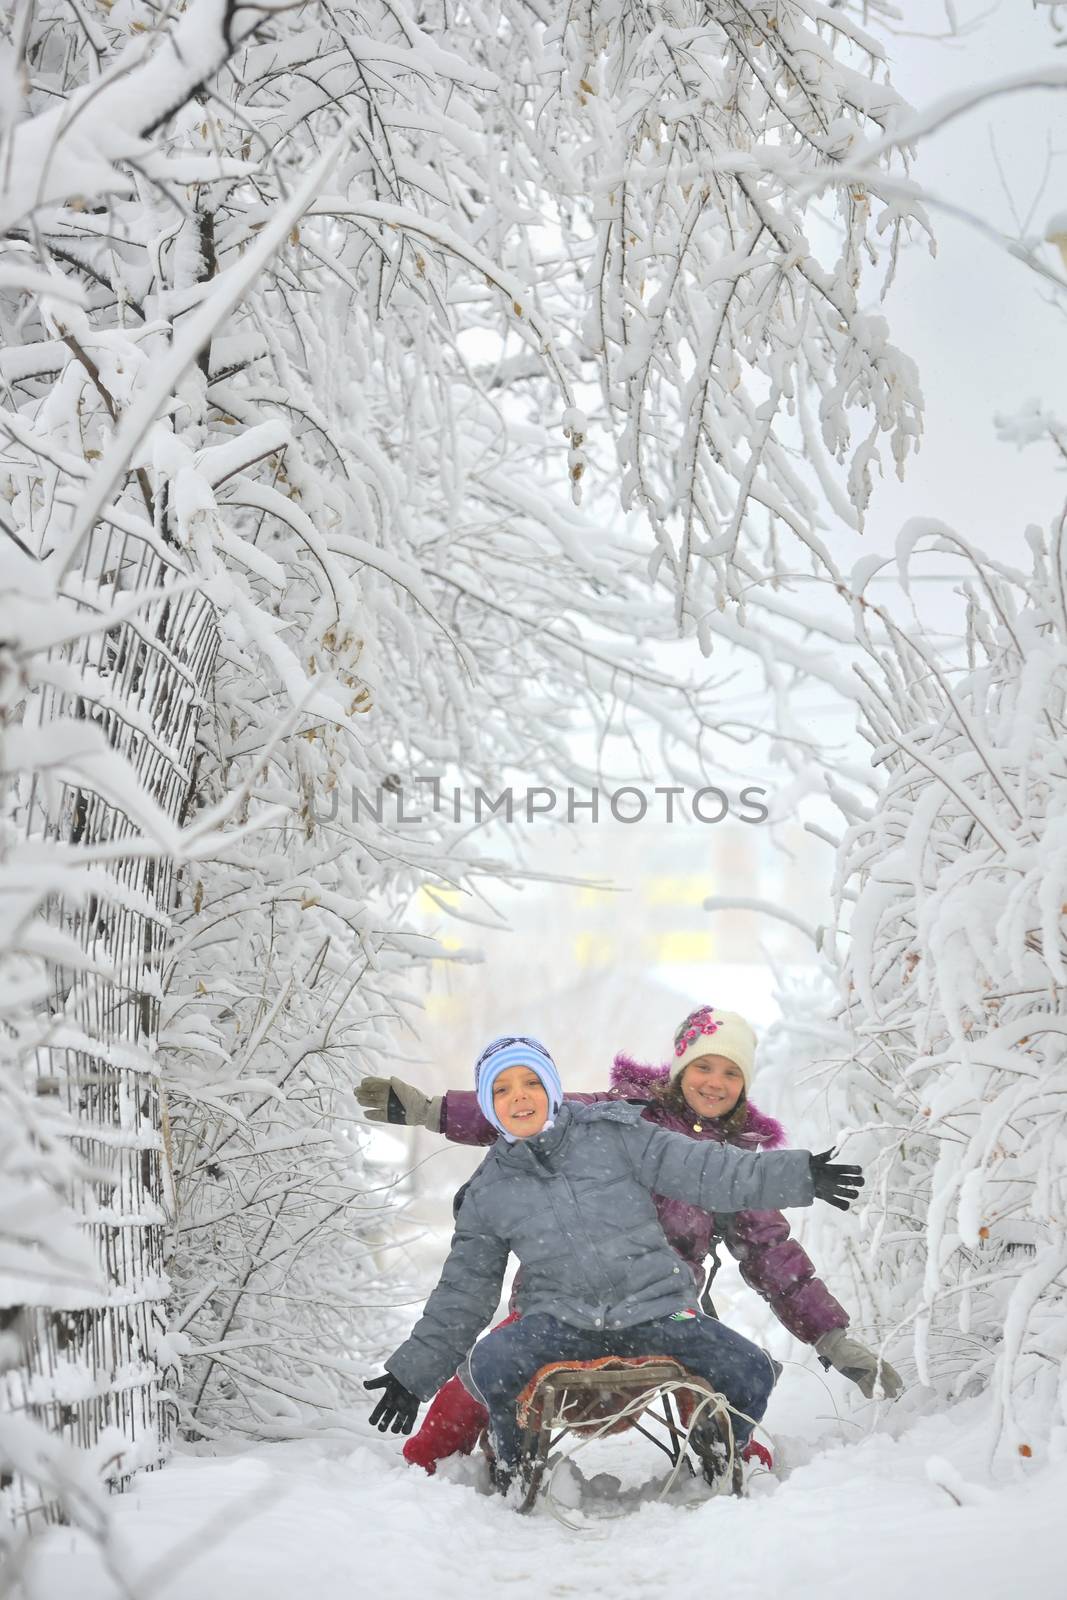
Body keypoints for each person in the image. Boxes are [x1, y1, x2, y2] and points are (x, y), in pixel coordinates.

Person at [358, 1005, 900, 1476]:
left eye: (730, 1072)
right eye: (703, 1066)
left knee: (726, 1375)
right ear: (680, 1068)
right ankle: (441, 1462)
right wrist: (428, 1110)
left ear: (744, 1085)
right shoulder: (620, 1118)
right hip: (559, 1303)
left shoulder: (731, 1162)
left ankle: (725, 1451)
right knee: (481, 1374)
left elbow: (774, 1256)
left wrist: (831, 1337)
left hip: (663, 1303)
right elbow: (529, 1102)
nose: (714, 1082)